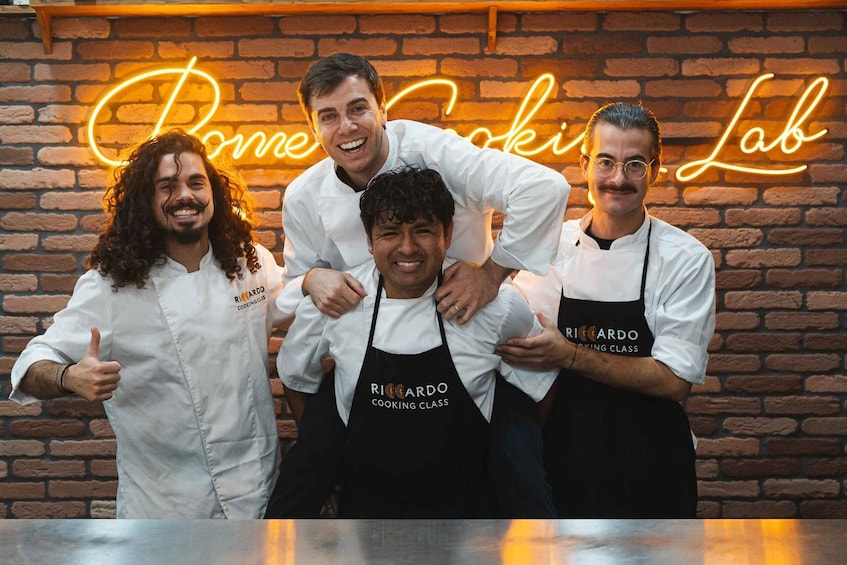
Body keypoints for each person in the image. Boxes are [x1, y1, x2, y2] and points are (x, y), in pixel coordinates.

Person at [270, 52, 569, 517]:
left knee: (523, 488)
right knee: (303, 484)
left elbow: (545, 188)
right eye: (328, 116)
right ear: (312, 127)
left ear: (382, 108)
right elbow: (296, 296)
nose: (346, 128)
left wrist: (491, 274)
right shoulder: (305, 195)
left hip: (470, 325)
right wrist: (310, 278)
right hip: (366, 339)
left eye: (357, 109)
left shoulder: (438, 153)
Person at [9, 131, 285, 518]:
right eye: (166, 187)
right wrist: (69, 377)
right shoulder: (111, 287)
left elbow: (303, 306)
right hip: (165, 508)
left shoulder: (250, 265)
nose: (184, 196)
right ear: (146, 202)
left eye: (195, 183)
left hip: (257, 494)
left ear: (214, 195)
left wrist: (317, 280)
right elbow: (32, 362)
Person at [498, 102, 716, 518]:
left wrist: (569, 354)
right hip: (562, 457)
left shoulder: (686, 258)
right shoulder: (547, 248)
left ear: (654, 170)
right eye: (606, 161)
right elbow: (520, 350)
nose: (618, 178)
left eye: (635, 164)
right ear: (584, 165)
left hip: (653, 464)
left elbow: (674, 381)